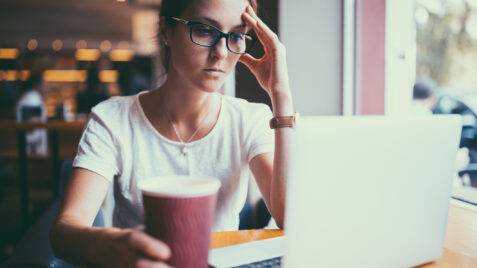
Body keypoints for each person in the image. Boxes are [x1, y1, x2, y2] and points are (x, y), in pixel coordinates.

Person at [50, 0, 293, 267]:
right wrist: (113, 248)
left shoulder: (249, 119)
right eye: (205, 30)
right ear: (166, 30)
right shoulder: (113, 119)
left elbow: (289, 219)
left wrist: (280, 95)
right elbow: (64, 231)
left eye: (236, 36)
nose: (221, 53)